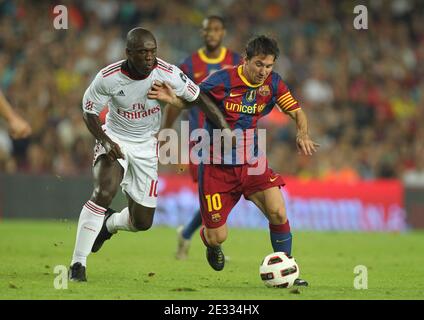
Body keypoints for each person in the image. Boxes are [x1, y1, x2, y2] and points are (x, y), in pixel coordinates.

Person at [149, 35, 319, 286]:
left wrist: (302, 132)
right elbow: (192, 100)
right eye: (259, 64)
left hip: (252, 164)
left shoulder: (272, 84)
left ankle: (288, 269)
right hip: (216, 168)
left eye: (269, 66)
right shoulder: (222, 80)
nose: (264, 71)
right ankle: (210, 242)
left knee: (278, 211)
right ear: (246, 60)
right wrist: (172, 98)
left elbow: (296, 111)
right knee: (218, 236)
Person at [69, 27, 230, 282]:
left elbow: (198, 98)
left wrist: (224, 128)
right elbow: (89, 112)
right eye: (143, 52)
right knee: (103, 192)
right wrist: (104, 140)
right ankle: (78, 263)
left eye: (152, 52)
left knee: (142, 222)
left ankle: (108, 225)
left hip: (146, 146)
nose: (148, 58)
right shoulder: (107, 77)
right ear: (129, 53)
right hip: (116, 140)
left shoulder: (167, 73)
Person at [162, 15, 242, 260]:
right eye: (208, 30)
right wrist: (166, 132)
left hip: (230, 138)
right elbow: (177, 101)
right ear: (202, 33)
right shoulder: (189, 64)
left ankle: (187, 234)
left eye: (216, 29)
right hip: (200, 138)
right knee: (211, 192)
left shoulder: (236, 61)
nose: (212, 34)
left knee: (227, 191)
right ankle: (211, 243)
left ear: (223, 32)